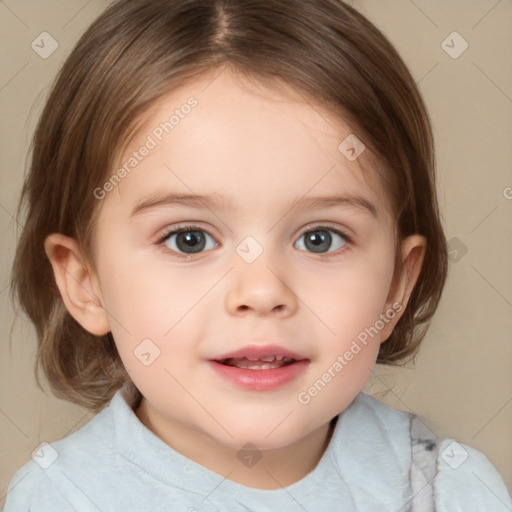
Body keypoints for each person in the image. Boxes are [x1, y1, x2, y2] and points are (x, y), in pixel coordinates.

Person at [4, 0, 511, 510]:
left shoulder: (449, 491)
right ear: (85, 282)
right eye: (189, 239)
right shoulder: (59, 499)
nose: (262, 291)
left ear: (397, 286)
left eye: (320, 238)